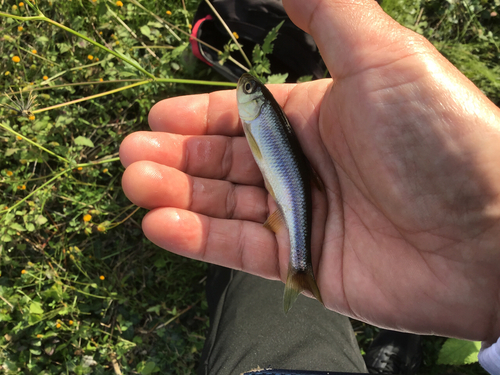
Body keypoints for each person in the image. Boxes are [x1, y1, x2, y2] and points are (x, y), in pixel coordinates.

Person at [119, 0, 500, 373]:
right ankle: (301, 275)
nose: (244, 90)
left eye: (250, 90)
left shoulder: (261, 117)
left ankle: (298, 269)